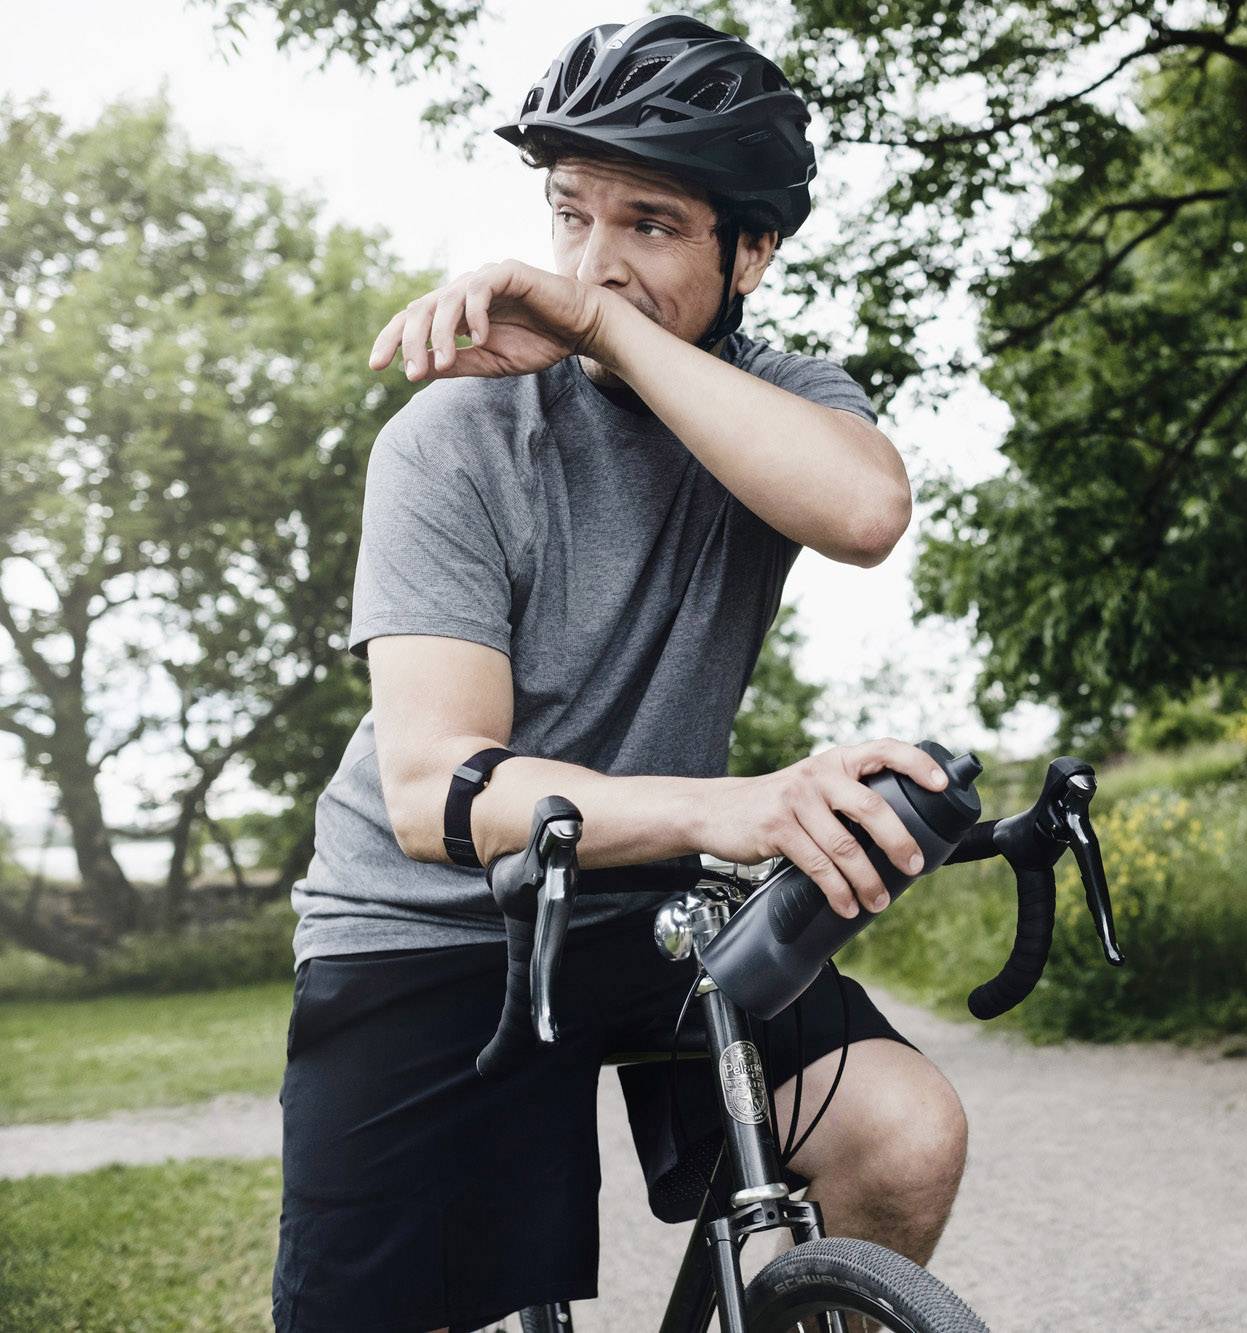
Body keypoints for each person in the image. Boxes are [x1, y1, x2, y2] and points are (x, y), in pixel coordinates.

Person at [271, 16, 969, 1332]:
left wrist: (604, 326)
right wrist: (736, 808)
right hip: (433, 927)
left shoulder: (783, 403)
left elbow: (867, 511)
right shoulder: (454, 435)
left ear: (751, 250)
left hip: (642, 910)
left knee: (902, 1132)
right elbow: (434, 792)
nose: (592, 264)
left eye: (649, 224)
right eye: (570, 215)